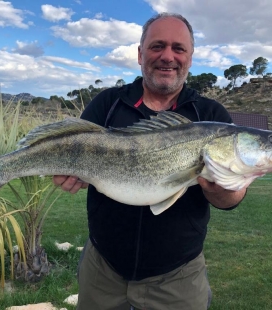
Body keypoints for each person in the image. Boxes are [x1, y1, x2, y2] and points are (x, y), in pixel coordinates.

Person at [53, 12, 247, 310]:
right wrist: (71, 176)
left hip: (179, 277)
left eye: (178, 48)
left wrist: (216, 188)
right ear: (140, 54)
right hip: (102, 269)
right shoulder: (108, 103)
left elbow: (230, 200)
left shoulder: (211, 117)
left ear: (190, 58)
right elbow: (76, 150)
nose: (167, 56)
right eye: (157, 46)